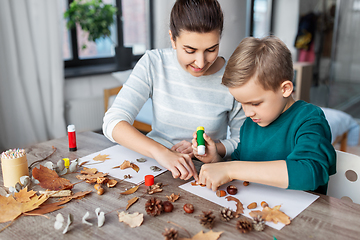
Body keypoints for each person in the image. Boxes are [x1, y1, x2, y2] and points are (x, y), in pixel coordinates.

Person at [103, 0, 245, 182]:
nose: (201, 63)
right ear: (173, 38)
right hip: (155, 166)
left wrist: (215, 149)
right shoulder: (153, 63)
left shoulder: (233, 78)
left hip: (205, 175)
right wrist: (161, 152)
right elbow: (112, 122)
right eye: (190, 50)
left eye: (211, 49)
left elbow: (241, 140)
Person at [192, 36, 336, 195]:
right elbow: (240, 170)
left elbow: (310, 172)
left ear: (285, 89)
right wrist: (216, 161)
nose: (247, 112)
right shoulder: (251, 124)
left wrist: (230, 169)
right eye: (241, 102)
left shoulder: (309, 119)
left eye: (255, 103)